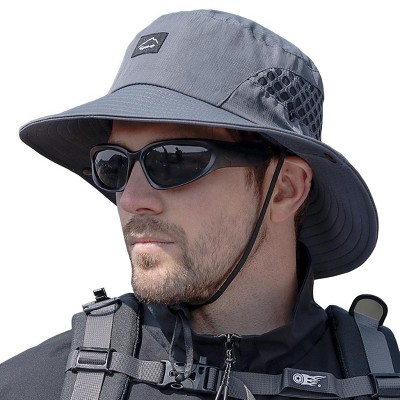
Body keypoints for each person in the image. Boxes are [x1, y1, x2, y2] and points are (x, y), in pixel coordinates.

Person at [1, 9, 399, 400]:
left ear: (285, 189)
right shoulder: (34, 386)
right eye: (113, 164)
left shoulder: (382, 382)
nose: (131, 200)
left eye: (172, 160)